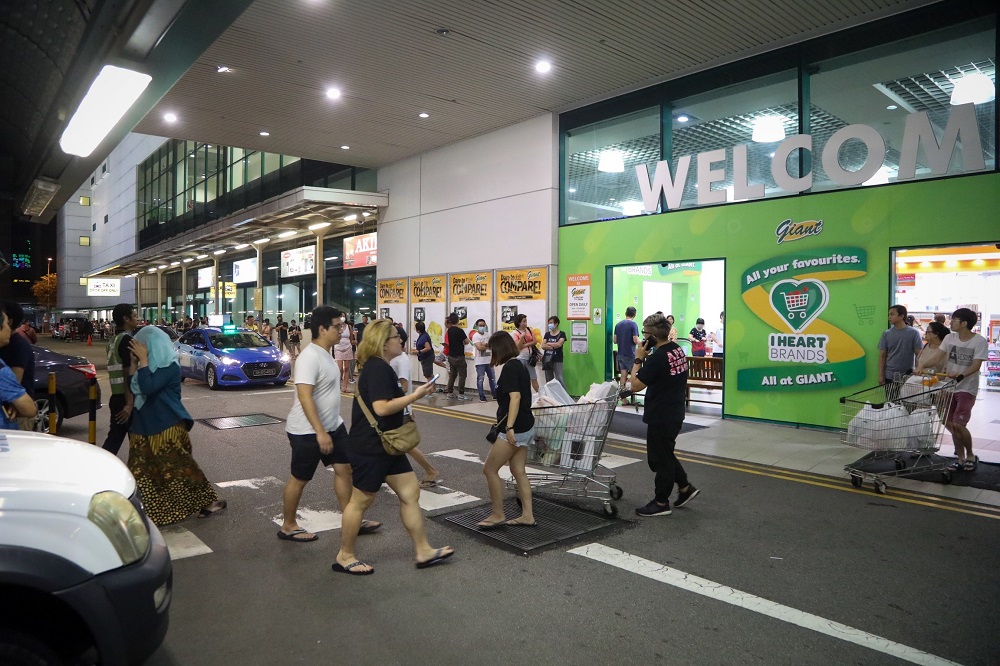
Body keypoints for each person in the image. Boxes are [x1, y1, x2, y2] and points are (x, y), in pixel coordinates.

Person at [334, 320, 453, 575]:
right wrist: (415, 396)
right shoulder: (379, 368)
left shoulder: (380, 367)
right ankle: (345, 555)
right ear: (383, 343)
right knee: (360, 501)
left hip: (388, 444)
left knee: (410, 492)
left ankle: (423, 550)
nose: (401, 339)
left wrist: (407, 405)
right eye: (396, 337)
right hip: (371, 447)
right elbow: (381, 408)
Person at [279, 306, 381, 543]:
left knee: (345, 470)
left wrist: (329, 429)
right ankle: (288, 526)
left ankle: (351, 518)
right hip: (307, 430)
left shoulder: (326, 353)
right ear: (322, 329)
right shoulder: (310, 357)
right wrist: (320, 432)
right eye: (337, 326)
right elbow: (305, 396)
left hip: (333, 426)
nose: (341, 330)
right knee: (300, 478)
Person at [126, 326, 226, 525]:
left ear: (152, 345)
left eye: (141, 345)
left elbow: (147, 387)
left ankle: (207, 501)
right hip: (142, 426)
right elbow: (133, 386)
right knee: (140, 471)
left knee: (178, 469)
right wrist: (134, 363)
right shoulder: (146, 366)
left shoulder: (169, 366)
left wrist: (143, 361)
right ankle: (147, 510)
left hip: (167, 426)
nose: (138, 349)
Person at [629, 313, 699, 517]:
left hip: (661, 414)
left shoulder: (657, 358)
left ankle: (661, 502)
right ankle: (685, 487)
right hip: (675, 411)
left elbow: (635, 385)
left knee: (660, 460)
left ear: (652, 336)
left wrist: (638, 359)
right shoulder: (677, 350)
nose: (643, 337)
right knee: (665, 453)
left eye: (644, 333)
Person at [477, 331, 535, 529]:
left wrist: (509, 427)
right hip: (527, 425)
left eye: (493, 350)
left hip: (515, 428)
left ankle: (497, 514)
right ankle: (527, 515)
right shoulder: (519, 364)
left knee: (489, 469)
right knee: (518, 470)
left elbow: (515, 398)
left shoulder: (510, 368)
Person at [940, 308, 989, 473]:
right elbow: (938, 355)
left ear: (964, 323)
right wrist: (922, 365)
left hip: (967, 388)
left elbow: (976, 365)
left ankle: (971, 455)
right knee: (951, 425)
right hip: (949, 387)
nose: (951, 322)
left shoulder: (979, 341)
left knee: (959, 424)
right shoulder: (949, 338)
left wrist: (961, 375)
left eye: (954, 320)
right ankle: (960, 458)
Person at [389, 346, 440, 488]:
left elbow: (404, 387)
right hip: (399, 407)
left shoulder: (400, 360)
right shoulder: (395, 358)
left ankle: (430, 471)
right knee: (389, 444)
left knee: (406, 445)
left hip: (399, 409)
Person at [103, 304, 140, 454]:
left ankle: (101, 465)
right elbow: (127, 373)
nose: (137, 318)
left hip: (116, 398)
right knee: (137, 443)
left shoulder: (113, 341)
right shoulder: (126, 340)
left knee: (114, 439)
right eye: (135, 315)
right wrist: (130, 404)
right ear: (126, 319)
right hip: (127, 399)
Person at [0, 302, 36, 430]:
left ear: (10, 322)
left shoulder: (17, 346)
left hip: (16, 413)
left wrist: (15, 403)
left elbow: (15, 382)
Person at [877, 305, 923, 385]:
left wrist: (918, 370)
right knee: (891, 393)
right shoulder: (886, 334)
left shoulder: (914, 333)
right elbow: (882, 356)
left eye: (892, 314)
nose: (889, 317)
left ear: (901, 316)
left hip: (908, 375)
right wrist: (881, 375)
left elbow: (919, 354)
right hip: (890, 375)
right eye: (889, 315)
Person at [614, 307, 640, 398]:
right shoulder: (633, 324)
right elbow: (635, 340)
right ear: (634, 315)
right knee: (634, 375)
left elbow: (615, 340)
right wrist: (642, 343)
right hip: (630, 354)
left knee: (623, 375)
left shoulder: (618, 325)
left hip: (620, 354)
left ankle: (623, 398)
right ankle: (632, 396)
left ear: (626, 313)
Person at [445, 313, 470, 399]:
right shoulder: (460, 331)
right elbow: (467, 341)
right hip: (459, 356)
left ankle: (450, 393)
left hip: (451, 356)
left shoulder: (449, 331)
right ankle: (461, 394)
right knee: (462, 376)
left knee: (452, 375)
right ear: (458, 321)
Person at [511, 313, 539, 392]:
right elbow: (518, 347)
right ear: (519, 322)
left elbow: (535, 341)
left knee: (534, 377)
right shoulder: (515, 333)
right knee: (523, 379)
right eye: (523, 321)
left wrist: (525, 345)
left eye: (526, 321)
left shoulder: (529, 330)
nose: (525, 323)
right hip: (521, 358)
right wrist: (522, 338)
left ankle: (540, 394)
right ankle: (524, 394)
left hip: (530, 358)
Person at [471, 319, 497, 402]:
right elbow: (479, 348)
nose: (482, 327)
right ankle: (482, 397)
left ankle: (495, 395)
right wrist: (486, 345)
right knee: (480, 379)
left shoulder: (488, 335)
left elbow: (492, 346)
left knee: (492, 379)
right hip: (480, 362)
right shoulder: (475, 336)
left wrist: (484, 344)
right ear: (477, 326)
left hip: (489, 361)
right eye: (480, 325)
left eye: (483, 325)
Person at [541, 315, 567, 387]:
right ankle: (550, 393)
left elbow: (559, 344)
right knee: (549, 379)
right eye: (549, 323)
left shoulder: (562, 334)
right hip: (547, 359)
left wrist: (548, 344)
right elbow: (543, 346)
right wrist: (553, 346)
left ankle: (562, 393)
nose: (549, 324)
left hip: (557, 358)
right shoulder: (547, 334)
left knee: (559, 378)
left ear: (556, 324)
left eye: (551, 323)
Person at [333, 316, 356, 391]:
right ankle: (338, 384)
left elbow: (351, 338)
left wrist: (352, 343)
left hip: (347, 348)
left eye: (343, 316)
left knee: (346, 368)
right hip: (338, 348)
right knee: (339, 368)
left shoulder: (349, 327)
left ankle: (345, 386)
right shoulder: (336, 326)